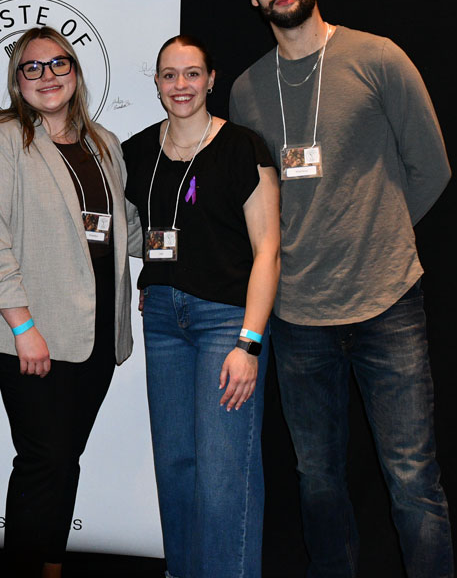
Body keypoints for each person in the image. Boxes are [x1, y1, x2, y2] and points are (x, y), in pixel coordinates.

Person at [228, 0, 454, 577]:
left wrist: (375, 235)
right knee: (317, 480)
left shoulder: (377, 58)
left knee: (412, 477)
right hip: (299, 317)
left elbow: (431, 168)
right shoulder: (245, 91)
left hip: (387, 303)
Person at [0, 27, 137, 577]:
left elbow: (124, 226)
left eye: (58, 64)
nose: (47, 76)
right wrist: (21, 326)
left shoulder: (104, 143)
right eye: (32, 68)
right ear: (17, 81)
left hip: (96, 335)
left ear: (76, 72)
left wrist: (200, 234)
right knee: (44, 462)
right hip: (33, 333)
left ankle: (52, 565)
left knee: (65, 463)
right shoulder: (1, 138)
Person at [121, 35, 279, 578]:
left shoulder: (243, 147)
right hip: (164, 320)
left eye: (192, 74)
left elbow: (269, 251)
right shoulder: (137, 151)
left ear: (211, 79)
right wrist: (149, 278)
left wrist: (248, 342)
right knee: (177, 468)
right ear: (158, 83)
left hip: (225, 324)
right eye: (169, 75)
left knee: (224, 475)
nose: (180, 86)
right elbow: (130, 232)